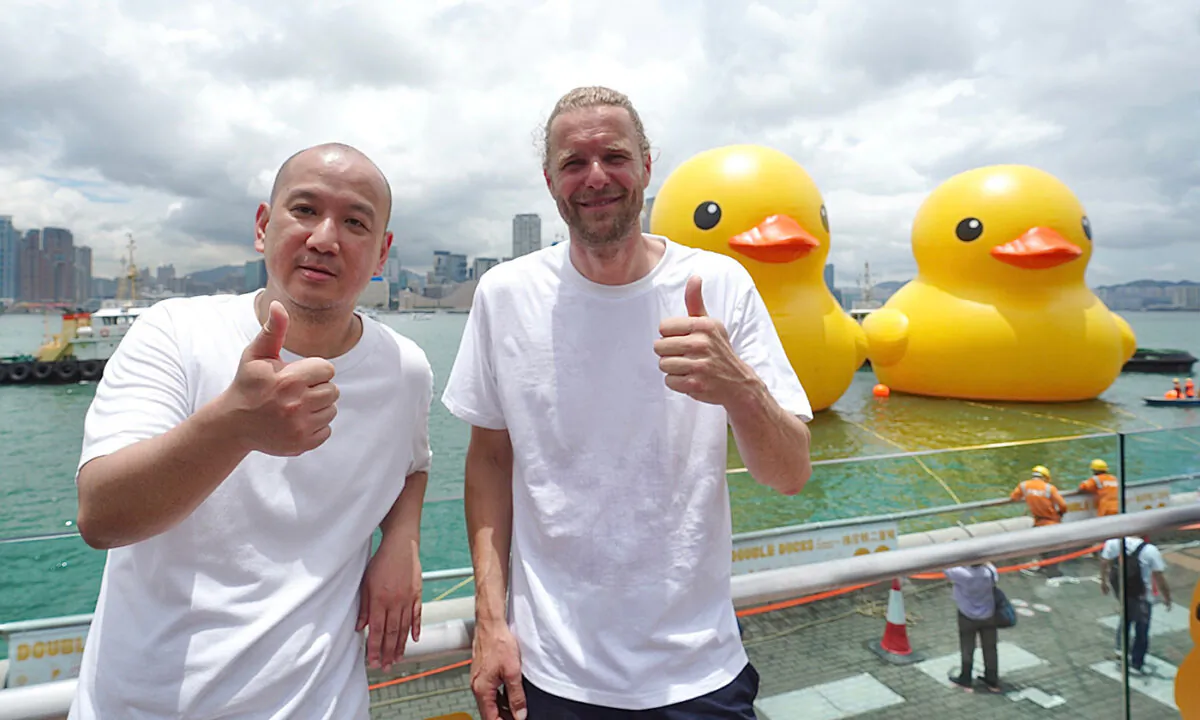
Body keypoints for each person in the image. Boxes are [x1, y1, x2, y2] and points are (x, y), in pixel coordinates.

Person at [442, 86, 813, 719]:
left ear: (646, 164)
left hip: (699, 672)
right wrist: (490, 620)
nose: (595, 178)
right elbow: (490, 462)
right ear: (550, 179)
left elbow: (789, 473)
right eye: (573, 162)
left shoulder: (720, 284)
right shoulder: (505, 294)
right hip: (548, 673)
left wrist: (739, 388)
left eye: (614, 156)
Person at [69, 143, 433, 719]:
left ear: (382, 253)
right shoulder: (175, 332)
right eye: (305, 210)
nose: (324, 238)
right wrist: (236, 425)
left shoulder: (405, 369)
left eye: (355, 221)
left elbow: (413, 463)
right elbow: (102, 516)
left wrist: (402, 540)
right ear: (264, 227)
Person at [1100, 535, 1173, 674]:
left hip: (1122, 591)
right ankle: (1136, 662)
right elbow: (1159, 577)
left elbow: (1104, 562)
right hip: (1142, 595)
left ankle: (1120, 651)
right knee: (1142, 628)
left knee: (1125, 620)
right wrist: (1167, 597)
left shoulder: (1113, 543)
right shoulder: (1150, 550)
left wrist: (1103, 582)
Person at [944, 563, 1001, 693]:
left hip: (967, 615)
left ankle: (966, 679)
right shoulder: (989, 571)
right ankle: (992, 681)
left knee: (967, 648)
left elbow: (945, 567)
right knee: (990, 648)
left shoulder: (962, 574)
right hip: (988, 614)